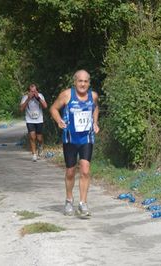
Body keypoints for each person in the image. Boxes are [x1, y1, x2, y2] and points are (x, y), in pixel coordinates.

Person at [49, 70, 99, 217]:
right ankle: (69, 200)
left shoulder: (93, 96)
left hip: (86, 139)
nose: (83, 84)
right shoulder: (67, 95)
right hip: (70, 139)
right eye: (80, 81)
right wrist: (59, 121)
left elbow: (95, 108)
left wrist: (95, 122)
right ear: (75, 82)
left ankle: (83, 203)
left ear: (89, 83)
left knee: (85, 170)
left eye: (85, 81)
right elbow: (53, 108)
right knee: (70, 172)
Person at [20, 83, 48, 162]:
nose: (33, 93)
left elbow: (45, 106)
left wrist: (38, 98)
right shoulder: (25, 97)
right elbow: (21, 109)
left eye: (35, 91)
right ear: (28, 92)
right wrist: (28, 99)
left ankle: (40, 146)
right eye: (32, 91)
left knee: (39, 138)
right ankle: (34, 154)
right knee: (32, 137)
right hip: (30, 120)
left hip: (39, 120)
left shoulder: (40, 96)